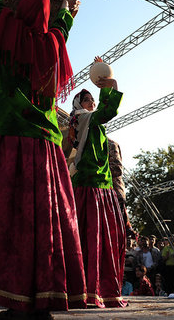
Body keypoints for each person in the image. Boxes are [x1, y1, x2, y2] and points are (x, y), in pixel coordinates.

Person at [0, 0, 87, 318]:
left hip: (8, 142)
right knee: (45, 222)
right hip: (46, 148)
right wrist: (69, 8)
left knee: (9, 220)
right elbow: (66, 17)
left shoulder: (7, 29)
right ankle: (43, 298)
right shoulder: (55, 43)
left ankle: (14, 299)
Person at [68, 61, 126, 308]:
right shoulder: (81, 119)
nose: (91, 102)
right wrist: (111, 85)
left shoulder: (94, 125)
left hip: (103, 190)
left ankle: (99, 291)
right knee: (87, 241)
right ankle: (82, 291)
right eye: (87, 99)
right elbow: (107, 111)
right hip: (87, 189)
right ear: (78, 105)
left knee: (104, 242)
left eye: (93, 98)